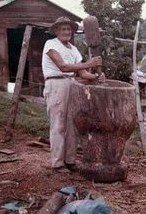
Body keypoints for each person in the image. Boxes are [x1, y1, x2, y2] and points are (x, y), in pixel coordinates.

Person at [42, 16, 104, 173]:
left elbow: (82, 73)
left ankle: (70, 160)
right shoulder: (51, 44)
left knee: (72, 124)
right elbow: (62, 66)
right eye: (63, 29)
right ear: (56, 30)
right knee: (58, 124)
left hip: (72, 84)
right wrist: (90, 63)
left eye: (68, 29)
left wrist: (96, 77)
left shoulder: (73, 49)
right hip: (56, 84)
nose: (66, 32)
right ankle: (57, 163)